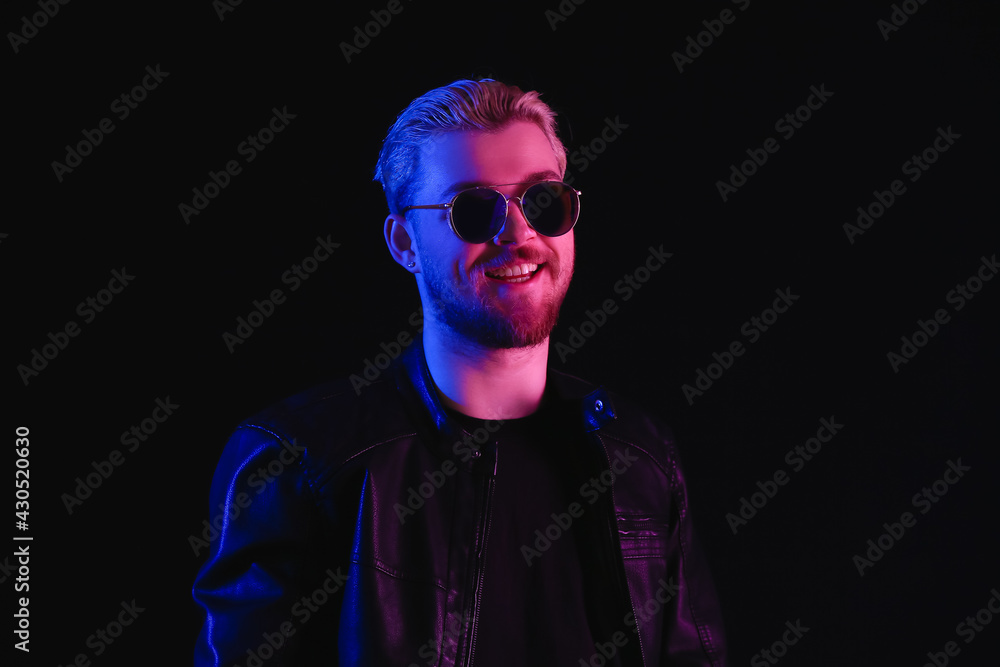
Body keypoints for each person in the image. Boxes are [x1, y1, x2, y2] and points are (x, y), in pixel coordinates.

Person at [193, 78, 728, 666]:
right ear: (405, 243)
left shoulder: (640, 456)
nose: (517, 234)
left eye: (543, 201)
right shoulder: (298, 461)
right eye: (473, 210)